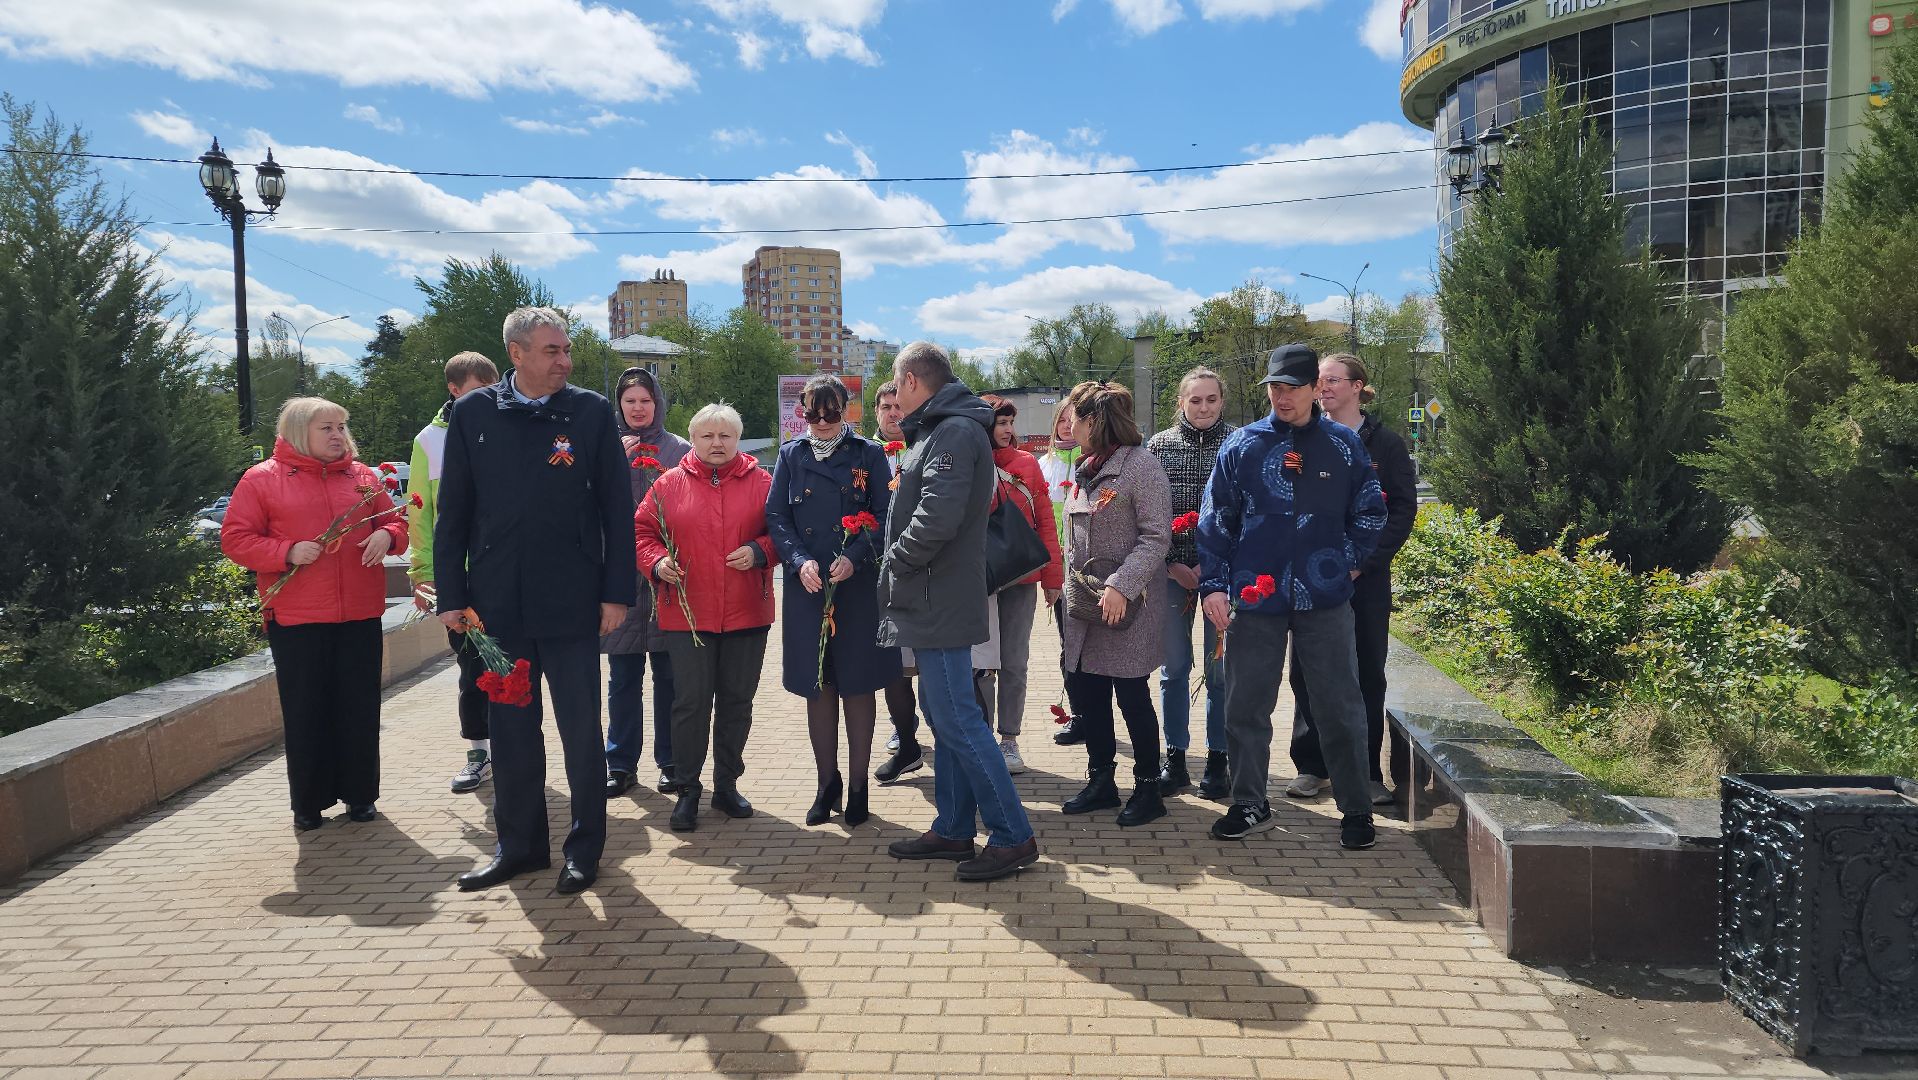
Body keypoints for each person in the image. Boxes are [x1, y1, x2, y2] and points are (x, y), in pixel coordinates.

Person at [435, 307, 635, 896]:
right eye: (552, 350)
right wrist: (452, 595)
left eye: (566, 349)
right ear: (516, 354)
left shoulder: (591, 413)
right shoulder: (473, 413)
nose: (565, 360)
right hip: (496, 610)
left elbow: (616, 513)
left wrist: (616, 593)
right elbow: (455, 513)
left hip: (573, 602)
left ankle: (584, 849)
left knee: (580, 730)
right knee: (512, 726)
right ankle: (518, 847)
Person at [1197, 344, 1387, 851]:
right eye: (1273, 387)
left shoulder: (1345, 445)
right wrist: (1214, 586)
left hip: (1324, 598)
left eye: (1291, 386)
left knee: (1340, 704)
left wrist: (1346, 560)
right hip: (1256, 597)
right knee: (1246, 703)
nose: (1281, 396)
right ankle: (1250, 802)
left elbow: (1371, 512)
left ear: (1314, 390)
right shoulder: (1243, 444)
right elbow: (1216, 520)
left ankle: (1355, 808)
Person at [878, 343, 1039, 882]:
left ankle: (1012, 835)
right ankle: (952, 826)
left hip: (938, 594)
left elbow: (938, 514)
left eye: (896, 386)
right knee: (945, 715)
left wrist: (895, 559)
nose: (895, 397)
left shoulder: (953, 431)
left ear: (911, 382)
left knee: (957, 718)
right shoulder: (944, 427)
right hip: (933, 595)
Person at [222, 397, 408, 831]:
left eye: (341, 426)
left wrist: (386, 535)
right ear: (299, 430)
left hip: (359, 614)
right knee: (307, 711)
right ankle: (309, 803)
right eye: (327, 428)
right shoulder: (261, 479)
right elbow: (235, 539)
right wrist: (285, 551)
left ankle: (361, 797)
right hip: (298, 619)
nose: (338, 435)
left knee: (360, 708)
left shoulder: (363, 478)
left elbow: (396, 522)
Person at [767, 375, 901, 828]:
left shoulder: (869, 453)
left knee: (858, 684)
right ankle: (828, 784)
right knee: (817, 683)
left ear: (847, 410)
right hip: (808, 588)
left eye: (832, 413)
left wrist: (857, 555)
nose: (822, 422)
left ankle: (859, 786)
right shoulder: (791, 455)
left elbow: (885, 517)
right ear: (801, 413)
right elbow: (777, 516)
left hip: (857, 587)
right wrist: (798, 559)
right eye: (812, 414)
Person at [635, 403, 776, 833]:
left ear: (738, 438)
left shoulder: (763, 482)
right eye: (707, 436)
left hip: (748, 611)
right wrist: (657, 562)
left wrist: (760, 552)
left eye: (726, 436)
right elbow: (642, 532)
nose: (717, 444)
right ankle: (688, 789)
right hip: (688, 614)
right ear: (692, 439)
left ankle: (727, 784)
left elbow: (785, 531)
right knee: (690, 704)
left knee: (737, 702)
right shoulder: (667, 484)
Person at [1286, 354, 1417, 806]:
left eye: (1333, 380)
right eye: (1319, 381)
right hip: (1309, 579)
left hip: (1365, 581)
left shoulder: (1386, 444)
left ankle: (1366, 770)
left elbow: (1401, 510)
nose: (1323, 388)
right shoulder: (1302, 437)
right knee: (1305, 670)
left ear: (1359, 386)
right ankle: (1312, 766)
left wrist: (1366, 561)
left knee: (1365, 671)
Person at [1056, 381, 1174, 827]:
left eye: (1075, 416)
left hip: (1127, 606)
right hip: (1087, 604)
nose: (1068, 423)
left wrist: (1122, 585)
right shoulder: (1087, 466)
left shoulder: (1140, 466)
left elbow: (1155, 535)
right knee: (1089, 693)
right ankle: (1102, 779)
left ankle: (1148, 789)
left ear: (1095, 421)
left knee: (1131, 694)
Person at [404, 351, 501, 795]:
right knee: (471, 668)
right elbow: (420, 513)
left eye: (493, 389)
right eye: (479, 391)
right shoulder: (429, 441)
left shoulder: (508, 425)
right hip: (459, 580)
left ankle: (513, 748)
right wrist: (425, 576)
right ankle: (478, 752)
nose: (489, 398)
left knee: (514, 665)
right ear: (455, 390)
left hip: (505, 573)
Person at [1145, 367, 1236, 800]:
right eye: (1195, 400)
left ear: (1222, 401)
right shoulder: (1159, 446)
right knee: (1174, 668)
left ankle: (1218, 760)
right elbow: (1145, 513)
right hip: (1172, 575)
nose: (1204, 408)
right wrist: (1169, 564)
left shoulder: (1239, 442)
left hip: (1224, 578)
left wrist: (1218, 568)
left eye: (1211, 400)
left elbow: (1246, 513)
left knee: (1219, 672)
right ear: (1181, 402)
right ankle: (1175, 757)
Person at [601, 368, 691, 802]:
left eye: (646, 401)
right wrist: (611, 462)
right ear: (618, 405)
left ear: (658, 404)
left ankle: (671, 762)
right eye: (630, 401)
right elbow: (587, 502)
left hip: (666, 581)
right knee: (622, 680)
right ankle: (619, 765)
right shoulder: (603, 447)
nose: (638, 408)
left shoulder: (679, 450)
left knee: (669, 679)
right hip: (620, 582)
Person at [976, 396, 1063, 776]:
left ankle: (1009, 739)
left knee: (1014, 662)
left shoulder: (1027, 464)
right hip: (975, 581)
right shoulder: (970, 462)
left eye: (1011, 422)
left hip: (1020, 579)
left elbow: (1045, 520)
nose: (1009, 430)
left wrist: (1052, 578)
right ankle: (979, 737)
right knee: (979, 665)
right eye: (1001, 423)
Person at [871, 381, 925, 784]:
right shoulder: (863, 455)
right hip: (878, 578)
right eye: (886, 407)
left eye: (899, 406)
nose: (893, 414)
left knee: (944, 668)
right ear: (876, 412)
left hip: (926, 575)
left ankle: (971, 745)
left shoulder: (927, 448)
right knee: (894, 667)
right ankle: (907, 741)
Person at [1037, 401, 1087, 747]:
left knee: (1097, 647)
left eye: (1075, 420)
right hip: (1060, 568)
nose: (1068, 426)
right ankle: (1078, 714)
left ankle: (1098, 714)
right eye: (1063, 420)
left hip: (1091, 568)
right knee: (1069, 644)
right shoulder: (1045, 464)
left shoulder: (1093, 460)